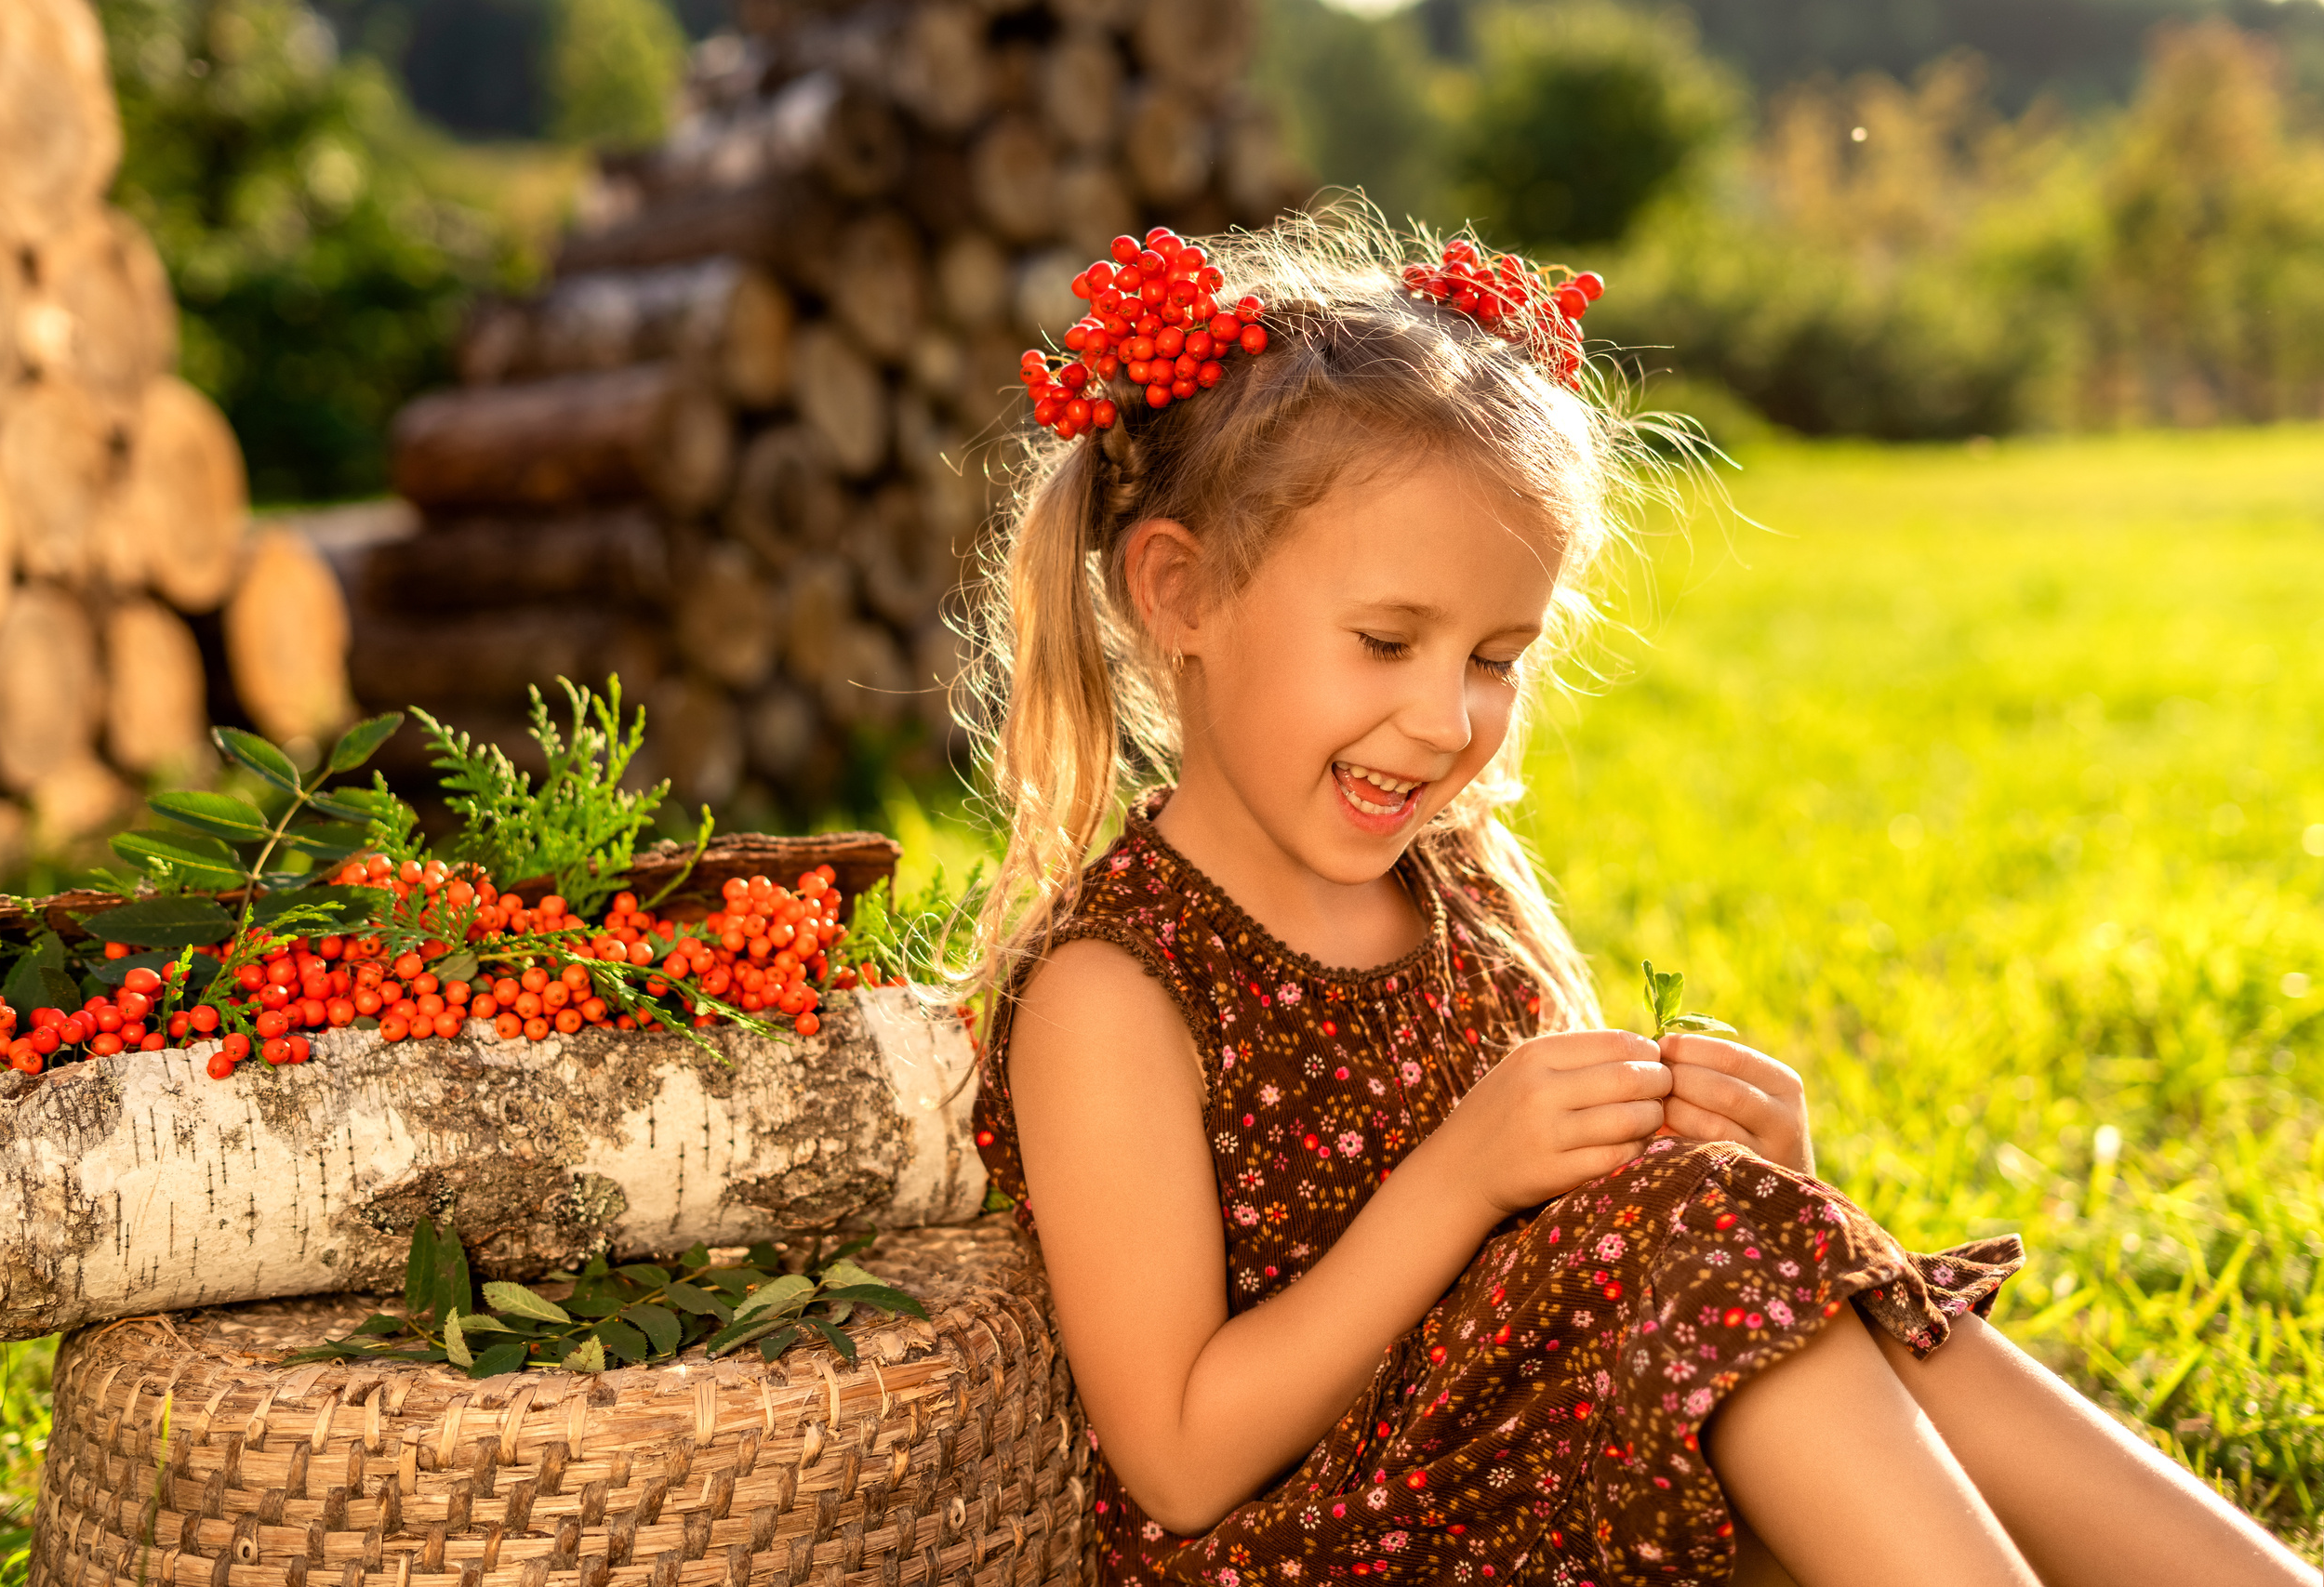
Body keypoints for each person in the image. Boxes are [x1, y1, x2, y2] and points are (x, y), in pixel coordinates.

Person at [958, 207, 2312, 1587]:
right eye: (1385, 642)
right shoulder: (1113, 989)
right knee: (1702, 1244)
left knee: (1741, 1237)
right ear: (1178, 591)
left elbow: (1570, 1263)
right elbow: (1182, 1461)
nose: (1444, 720)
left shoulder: (1455, 887)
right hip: (1317, 1549)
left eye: (1495, 658)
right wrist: (1469, 1173)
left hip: (1526, 1471)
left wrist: (1750, 1175)